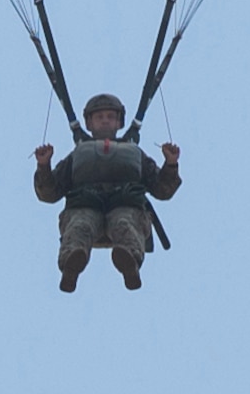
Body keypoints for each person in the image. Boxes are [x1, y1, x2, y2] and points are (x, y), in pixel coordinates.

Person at [33, 93, 181, 292]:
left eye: (110, 117)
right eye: (99, 117)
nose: (105, 120)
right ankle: (71, 265)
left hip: (126, 207)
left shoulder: (135, 153)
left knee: (124, 223)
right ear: (89, 123)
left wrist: (170, 164)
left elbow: (162, 190)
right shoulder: (78, 154)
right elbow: (49, 194)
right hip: (84, 207)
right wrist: (44, 166)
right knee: (80, 225)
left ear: (119, 122)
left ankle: (129, 263)